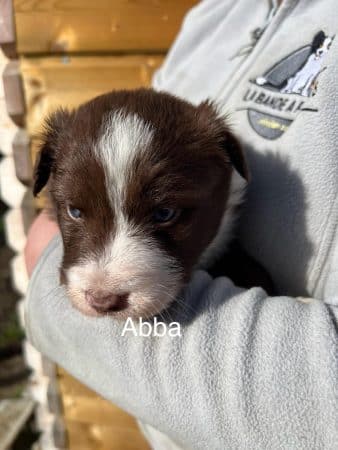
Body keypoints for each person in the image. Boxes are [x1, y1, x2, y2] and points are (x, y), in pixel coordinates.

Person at [25, 1, 338, 449]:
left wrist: (45, 257)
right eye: (74, 212)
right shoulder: (215, 13)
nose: (102, 284)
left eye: (164, 214)